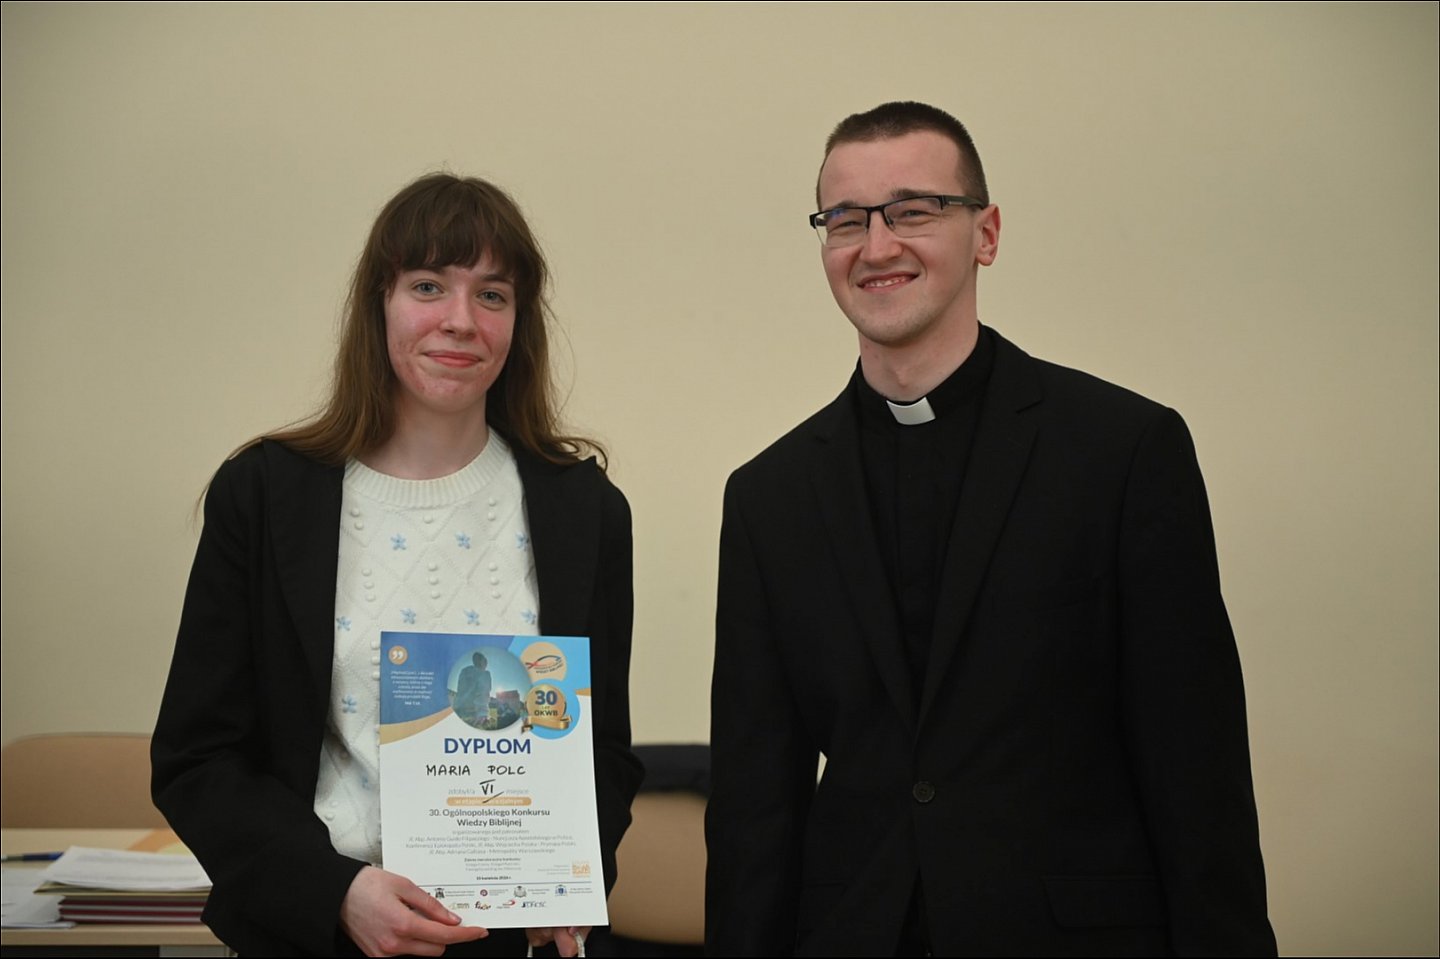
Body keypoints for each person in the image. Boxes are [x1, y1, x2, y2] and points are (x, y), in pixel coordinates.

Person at [705, 102, 1276, 956]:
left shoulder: (1124, 452)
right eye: (847, 219)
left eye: (913, 210)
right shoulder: (768, 496)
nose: (876, 245)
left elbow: (1196, 770)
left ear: (987, 233)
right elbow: (756, 805)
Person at [152, 174, 642, 958]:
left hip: (506, 939)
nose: (461, 320)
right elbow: (197, 758)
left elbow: (603, 749)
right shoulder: (267, 495)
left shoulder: (584, 510)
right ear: (378, 303)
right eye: (428, 286)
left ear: (519, 321)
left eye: (492, 295)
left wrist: (570, 878)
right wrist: (335, 892)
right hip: (316, 933)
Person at [454, 652, 493, 728]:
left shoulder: (464, 671)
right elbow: (483, 694)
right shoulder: (485, 674)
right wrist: (483, 714)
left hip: (458, 709)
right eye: (485, 662)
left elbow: (460, 691)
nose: (486, 665)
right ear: (482, 662)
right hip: (473, 713)